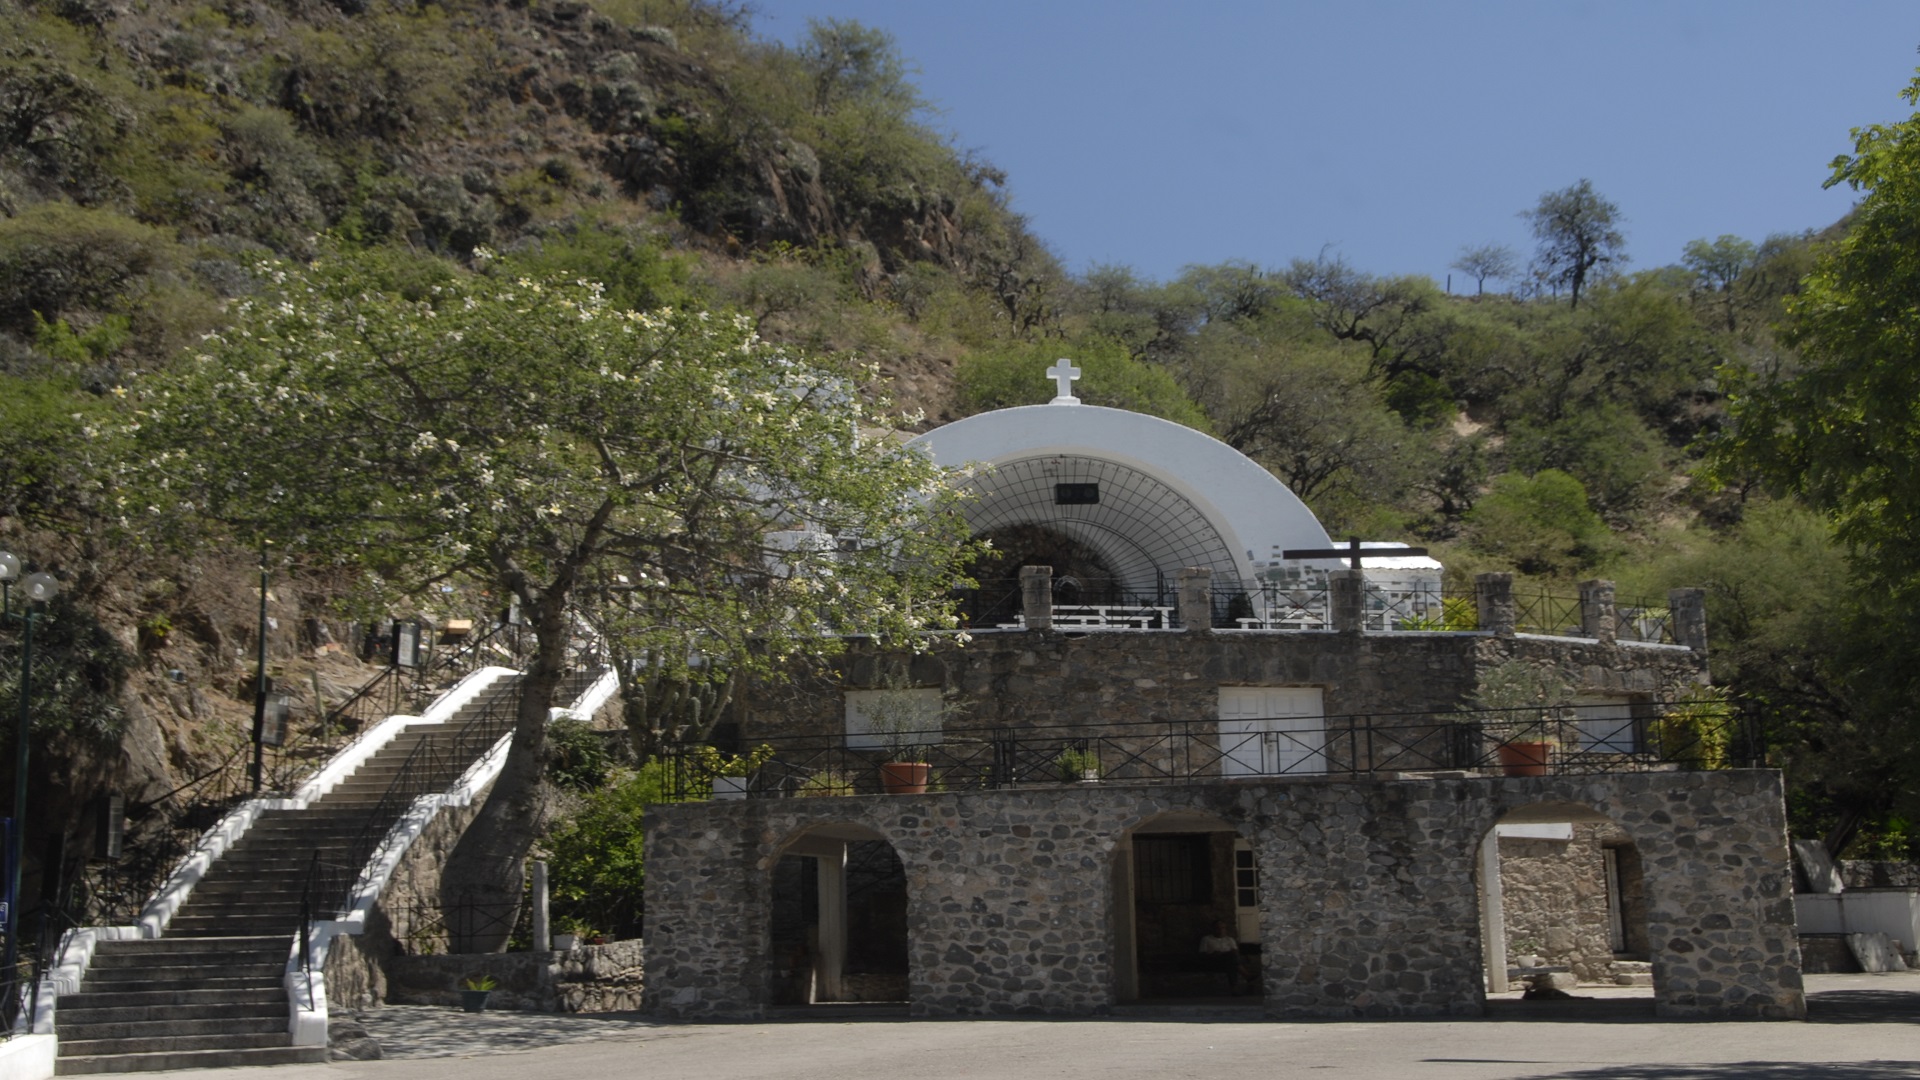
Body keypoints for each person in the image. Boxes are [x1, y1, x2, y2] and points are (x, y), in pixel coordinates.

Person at [1198, 919, 1243, 994]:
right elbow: (1202, 954)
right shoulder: (1206, 939)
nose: (1221, 930)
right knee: (1231, 960)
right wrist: (1213, 954)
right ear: (1213, 929)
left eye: (1223, 928)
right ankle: (1244, 974)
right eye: (1218, 928)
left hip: (1228, 962)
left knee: (1231, 962)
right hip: (1214, 962)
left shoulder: (1229, 939)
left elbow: (1235, 952)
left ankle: (1234, 989)